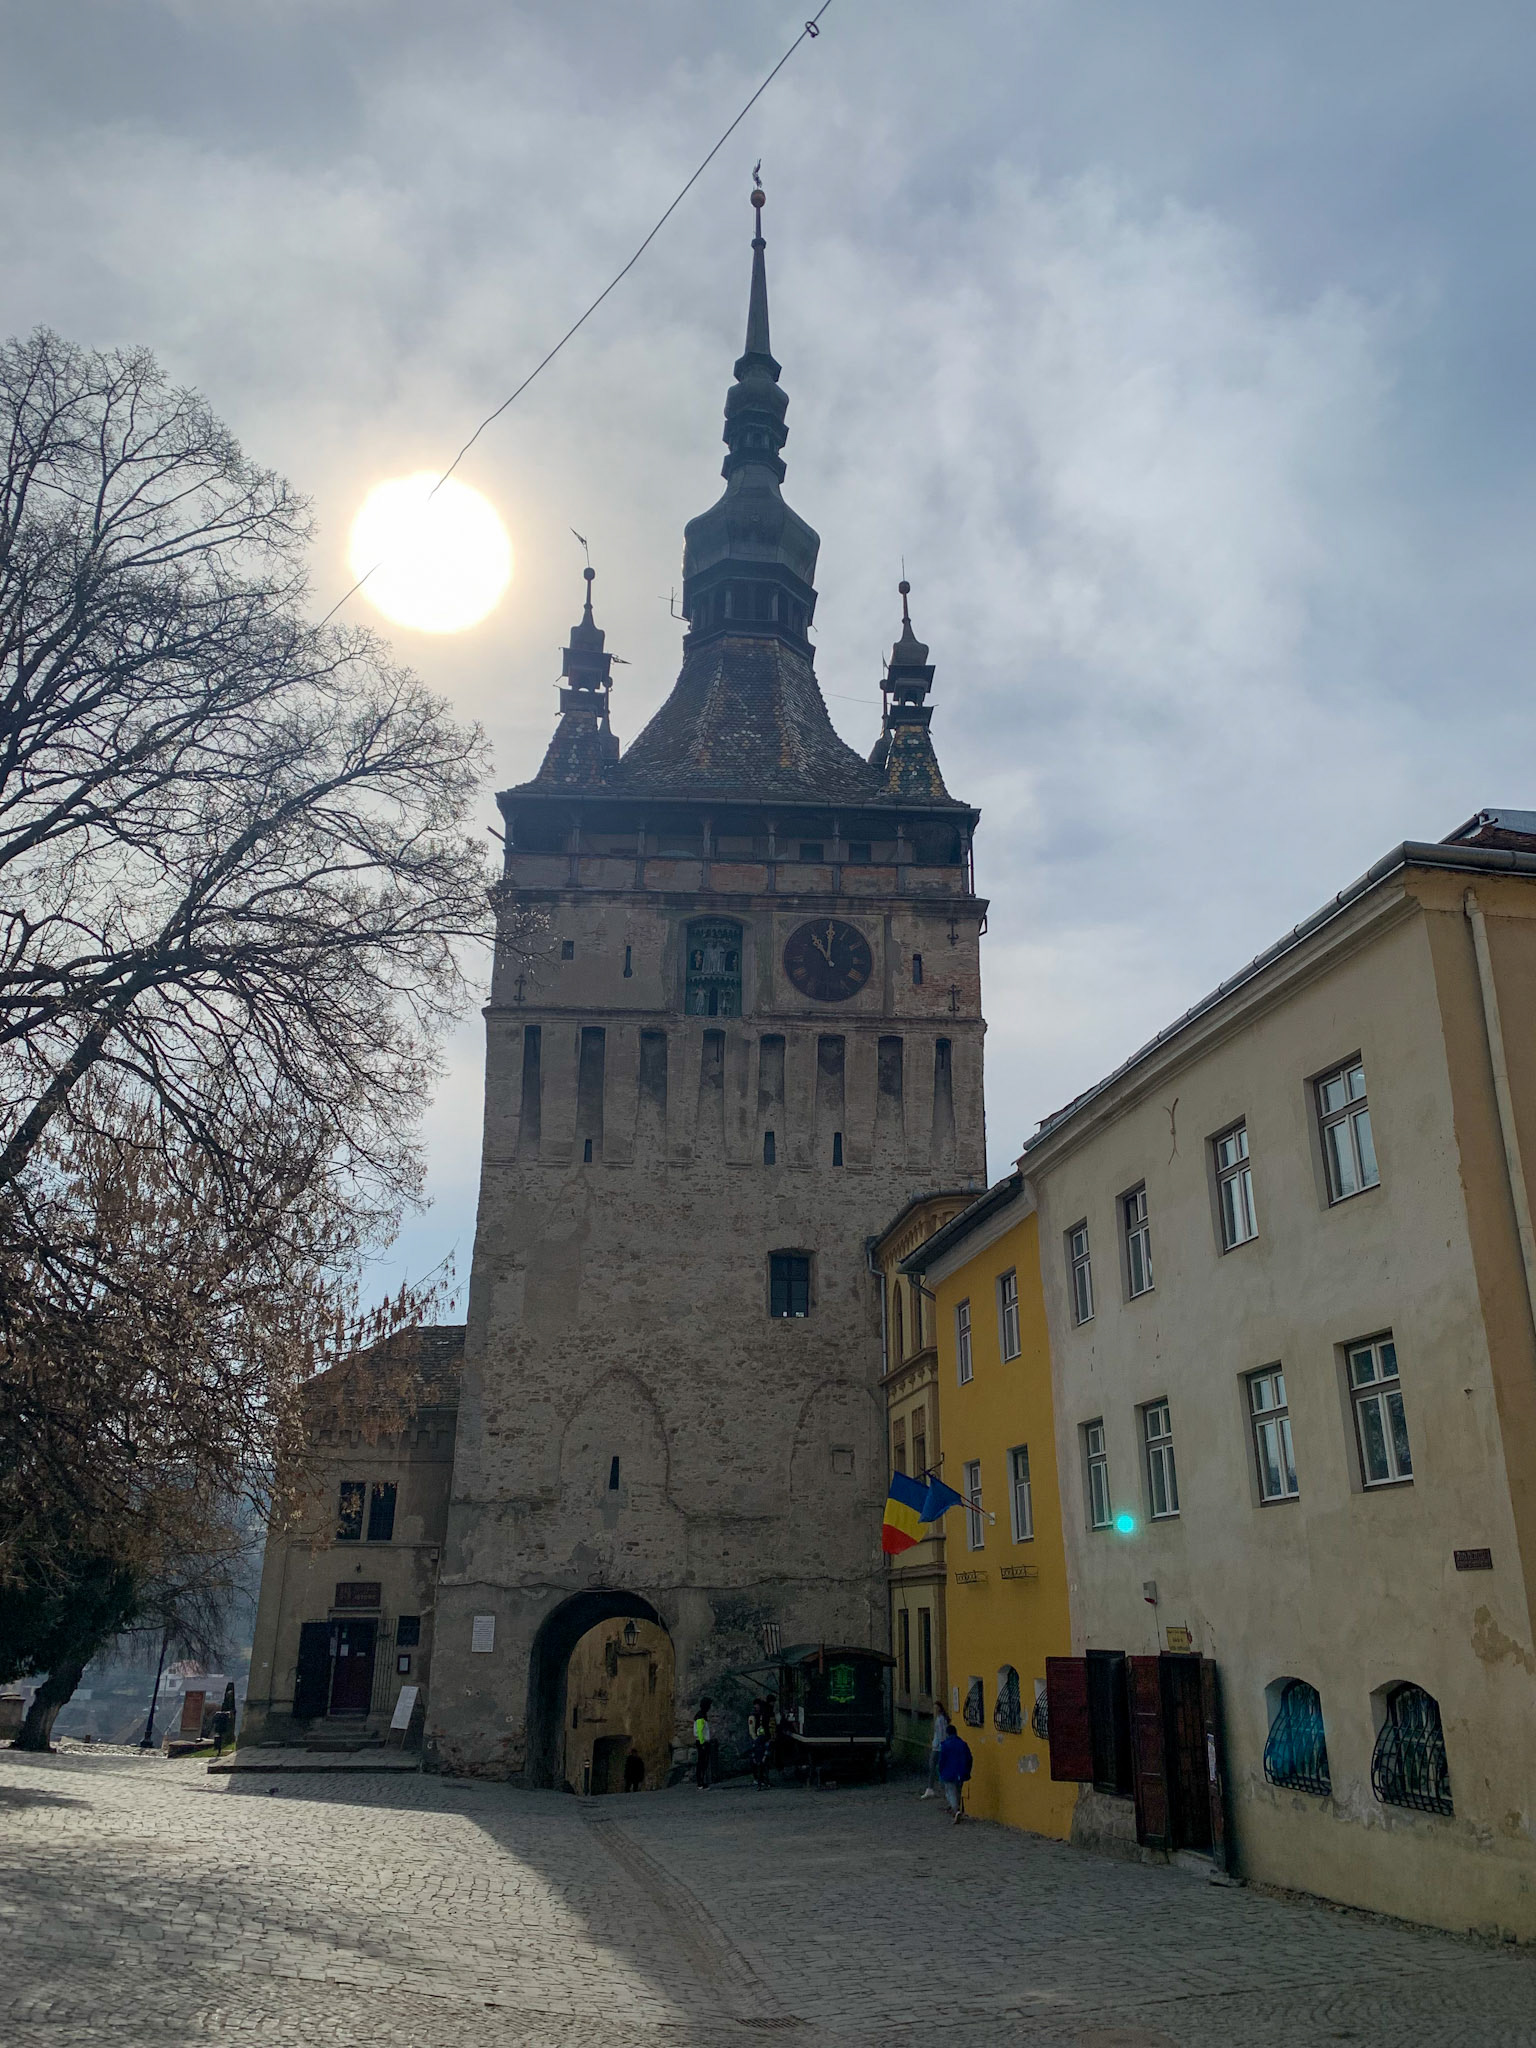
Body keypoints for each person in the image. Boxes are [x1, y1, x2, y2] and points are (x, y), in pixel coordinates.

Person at [937, 1723, 973, 1823]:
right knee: (958, 1792)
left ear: (947, 1733)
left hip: (948, 1773)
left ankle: (956, 1810)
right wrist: (967, 1771)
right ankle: (957, 1809)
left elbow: (941, 1761)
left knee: (950, 1792)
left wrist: (940, 1770)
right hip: (961, 1773)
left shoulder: (945, 1745)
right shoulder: (963, 1744)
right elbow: (969, 1758)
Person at [922, 1704, 950, 1799]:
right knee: (936, 1767)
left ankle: (934, 1788)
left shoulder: (940, 1719)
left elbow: (942, 1734)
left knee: (935, 1767)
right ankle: (934, 1788)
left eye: (935, 1708)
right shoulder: (940, 1719)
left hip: (938, 1747)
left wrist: (941, 1745)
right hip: (937, 1746)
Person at [747, 1698, 771, 1788]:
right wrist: (756, 1740)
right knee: (756, 1760)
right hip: (757, 1741)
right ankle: (757, 1778)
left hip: (762, 1740)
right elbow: (751, 1730)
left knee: (764, 1761)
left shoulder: (761, 1715)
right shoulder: (753, 1716)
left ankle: (763, 1778)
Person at [693, 1698, 713, 1789]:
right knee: (702, 1762)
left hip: (703, 1742)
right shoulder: (700, 1716)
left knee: (703, 1762)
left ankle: (701, 1781)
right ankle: (700, 1782)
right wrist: (702, 1743)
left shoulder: (701, 1715)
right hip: (702, 1742)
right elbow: (700, 1731)